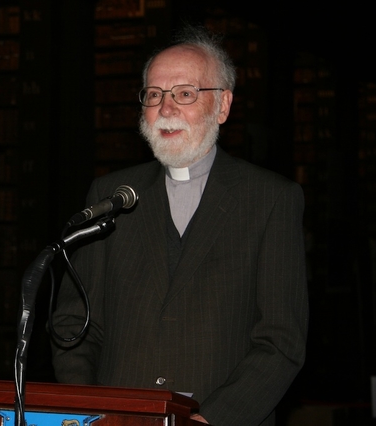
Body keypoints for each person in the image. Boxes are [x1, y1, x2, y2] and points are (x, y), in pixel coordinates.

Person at [51, 25, 308, 426]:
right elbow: (73, 324)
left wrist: (212, 419)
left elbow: (281, 341)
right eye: (154, 95)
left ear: (222, 106)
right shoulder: (111, 195)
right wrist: (91, 411)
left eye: (185, 94)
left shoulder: (271, 199)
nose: (165, 109)